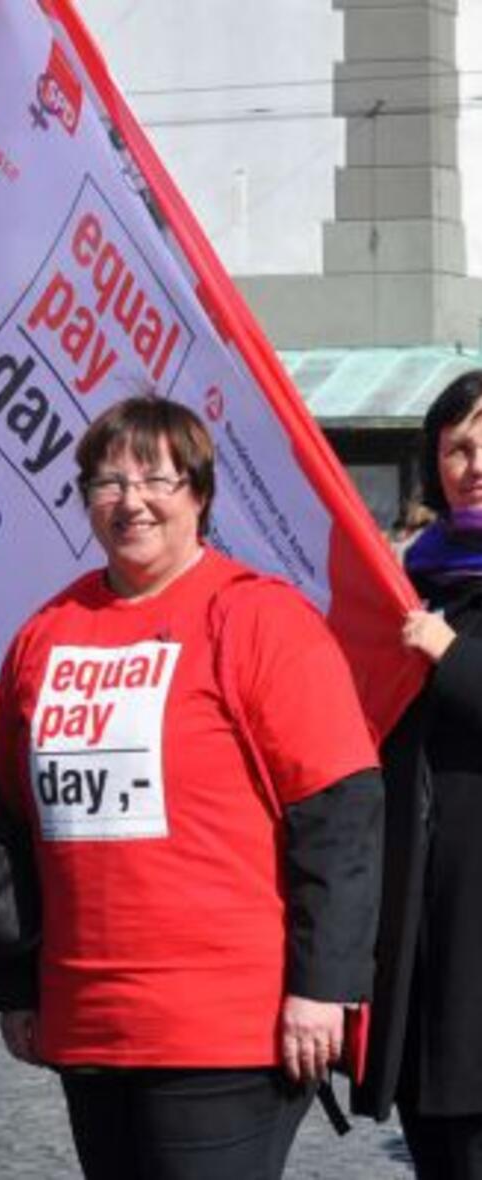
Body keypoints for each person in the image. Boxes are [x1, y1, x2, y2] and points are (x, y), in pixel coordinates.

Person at [0, 395, 384, 1180]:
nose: (130, 501)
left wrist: (324, 988)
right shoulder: (45, 633)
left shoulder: (258, 618)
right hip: (89, 1020)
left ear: (198, 493)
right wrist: (15, 984)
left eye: (155, 480)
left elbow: (340, 814)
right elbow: (11, 828)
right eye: (107, 482)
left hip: (224, 1029)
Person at [354, 370, 482, 1177]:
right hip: (417, 923)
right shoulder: (411, 579)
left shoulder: (431, 620)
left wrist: (451, 657)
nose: (475, 465)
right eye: (457, 447)